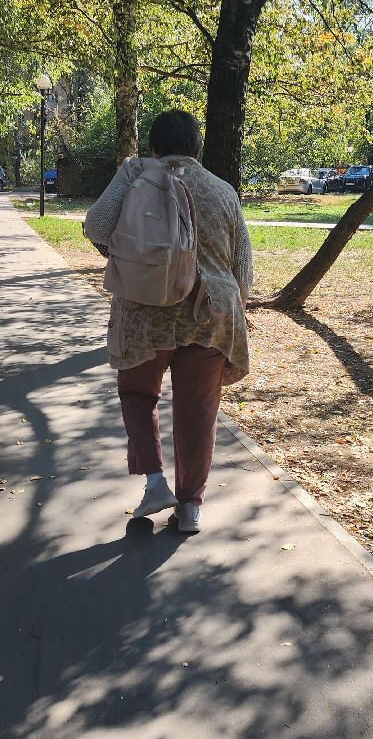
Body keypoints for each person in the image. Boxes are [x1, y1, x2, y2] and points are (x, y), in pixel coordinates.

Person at [82, 110, 252, 534]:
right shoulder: (223, 190)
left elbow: (96, 226)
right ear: (197, 145)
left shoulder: (137, 175)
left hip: (145, 310)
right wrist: (233, 307)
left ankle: (156, 483)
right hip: (210, 312)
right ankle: (190, 506)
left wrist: (129, 256)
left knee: (138, 394)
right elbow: (243, 268)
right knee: (198, 411)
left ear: (154, 146)